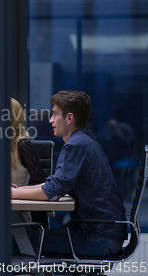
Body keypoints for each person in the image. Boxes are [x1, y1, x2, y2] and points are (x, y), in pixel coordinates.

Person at [11, 90, 127, 257]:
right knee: (23, 241)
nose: (50, 120)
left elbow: (52, 190)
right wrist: (18, 191)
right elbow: (55, 184)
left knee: (14, 243)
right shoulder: (85, 140)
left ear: (69, 118)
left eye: (54, 114)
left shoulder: (76, 145)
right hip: (101, 232)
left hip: (99, 238)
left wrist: (14, 193)